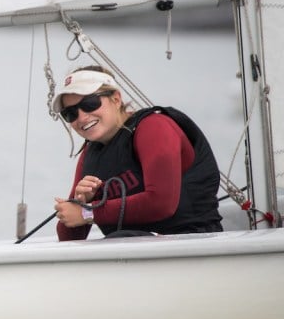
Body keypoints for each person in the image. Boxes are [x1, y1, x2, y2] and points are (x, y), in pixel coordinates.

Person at [52, 65, 223, 241]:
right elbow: (69, 239)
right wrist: (81, 201)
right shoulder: (90, 153)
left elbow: (161, 203)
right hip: (132, 252)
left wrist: (88, 212)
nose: (81, 117)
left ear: (116, 99)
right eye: (70, 113)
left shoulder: (155, 127)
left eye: (89, 104)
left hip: (192, 242)